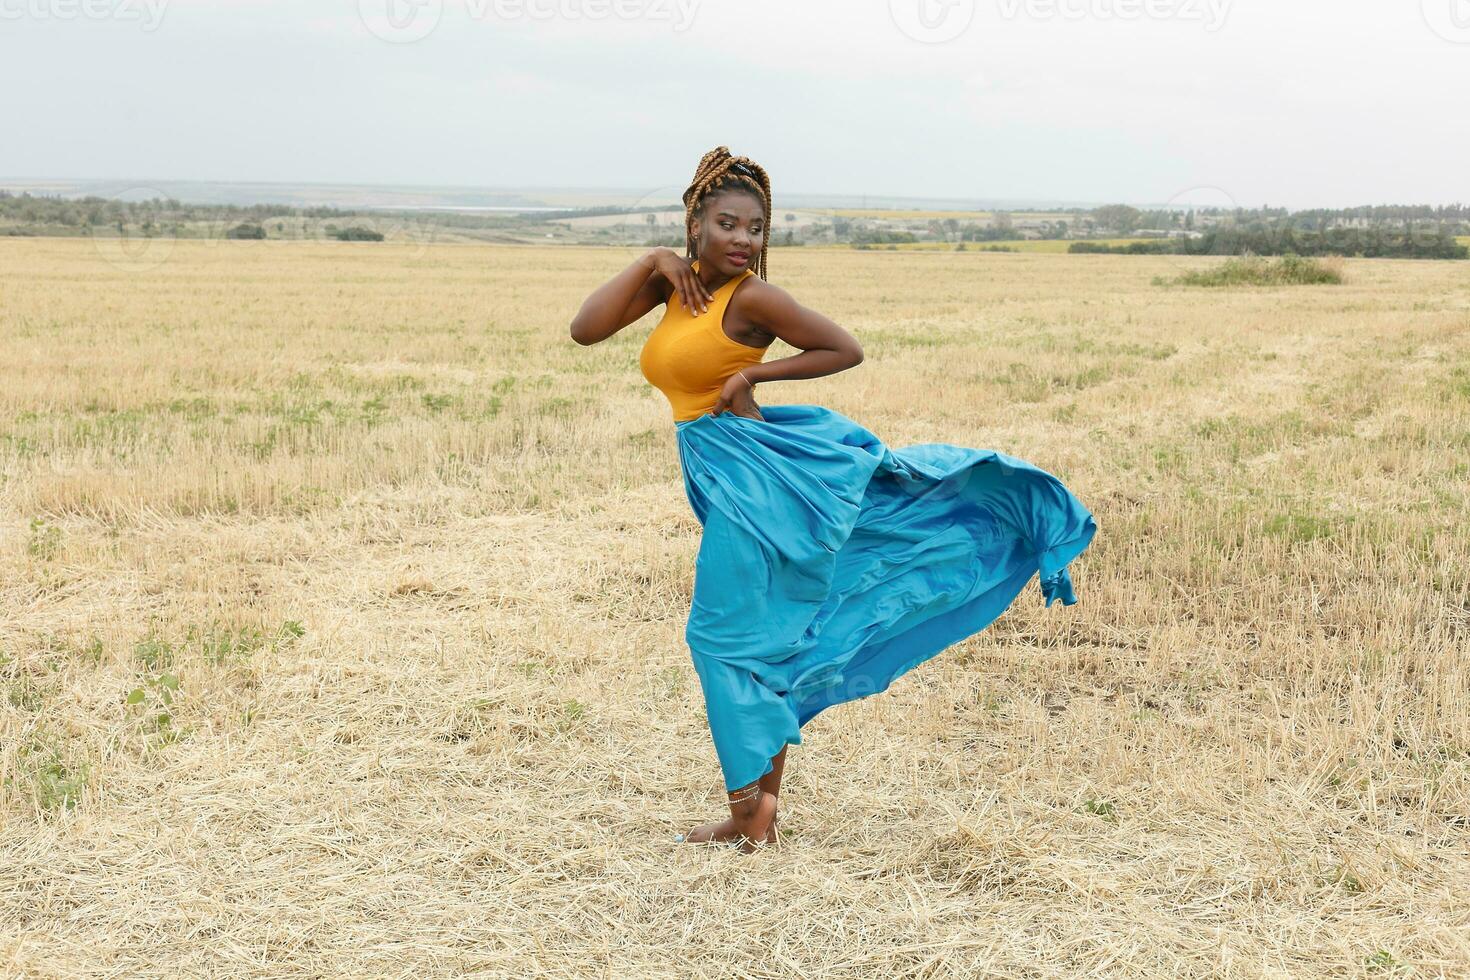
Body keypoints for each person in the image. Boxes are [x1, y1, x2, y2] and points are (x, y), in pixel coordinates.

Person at [570, 146, 1098, 853]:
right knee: (769, 632)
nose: (742, 241)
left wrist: (753, 376)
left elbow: (842, 348)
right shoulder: (679, 288)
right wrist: (649, 261)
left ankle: (748, 811)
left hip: (758, 478)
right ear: (695, 223)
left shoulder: (751, 298)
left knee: (721, 637)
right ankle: (759, 808)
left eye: (755, 229)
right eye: (726, 224)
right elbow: (585, 328)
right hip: (720, 468)